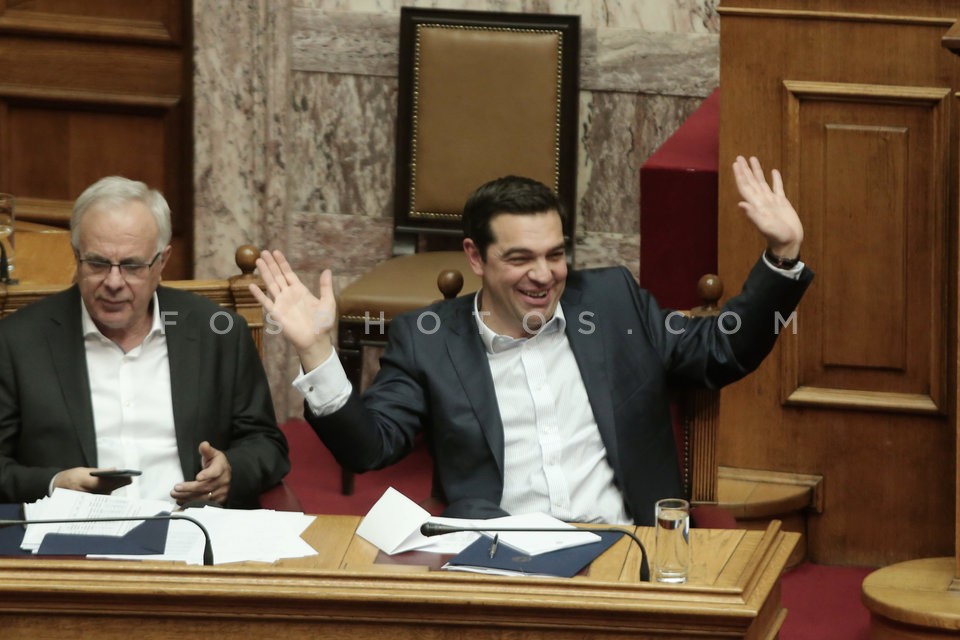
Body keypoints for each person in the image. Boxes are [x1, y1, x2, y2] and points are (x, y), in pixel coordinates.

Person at [252, 156, 813, 525]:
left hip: (626, 547)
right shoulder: (428, 339)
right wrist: (317, 352)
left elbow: (721, 351)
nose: (543, 275)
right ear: (475, 257)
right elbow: (368, 448)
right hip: (498, 560)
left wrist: (781, 256)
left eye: (555, 254)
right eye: (519, 258)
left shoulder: (613, 302)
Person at [0, 176, 289, 508]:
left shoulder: (218, 333)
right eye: (96, 263)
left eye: (132, 266)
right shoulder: (17, 342)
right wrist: (52, 484)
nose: (113, 282)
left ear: (161, 262)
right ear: (76, 255)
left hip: (192, 531)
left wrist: (230, 472)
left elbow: (267, 444)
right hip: (71, 541)